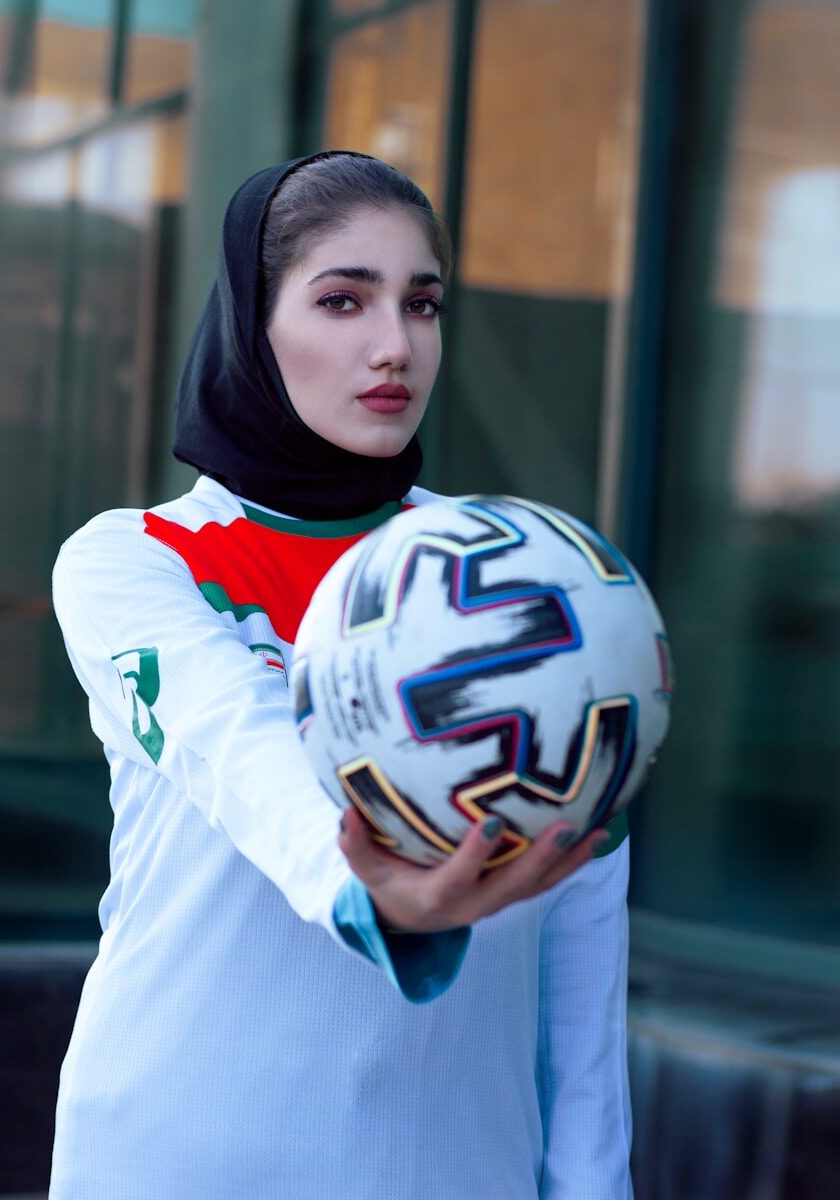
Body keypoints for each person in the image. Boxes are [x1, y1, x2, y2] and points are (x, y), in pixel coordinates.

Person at [49, 151, 633, 1200]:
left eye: (423, 303)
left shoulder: (538, 588)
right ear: (250, 325)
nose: (392, 345)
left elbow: (581, 964)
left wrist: (594, 1186)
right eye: (341, 299)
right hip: (178, 1154)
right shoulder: (135, 560)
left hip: (453, 1166)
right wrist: (369, 886)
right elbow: (234, 735)